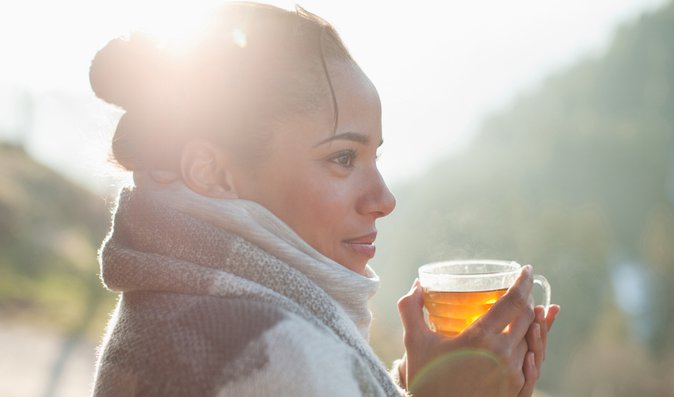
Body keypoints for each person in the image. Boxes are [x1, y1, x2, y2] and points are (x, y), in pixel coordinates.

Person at [89, 2, 560, 396]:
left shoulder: (177, 308)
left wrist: (405, 385)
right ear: (212, 172)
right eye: (342, 158)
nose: (384, 199)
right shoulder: (277, 354)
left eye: (374, 156)